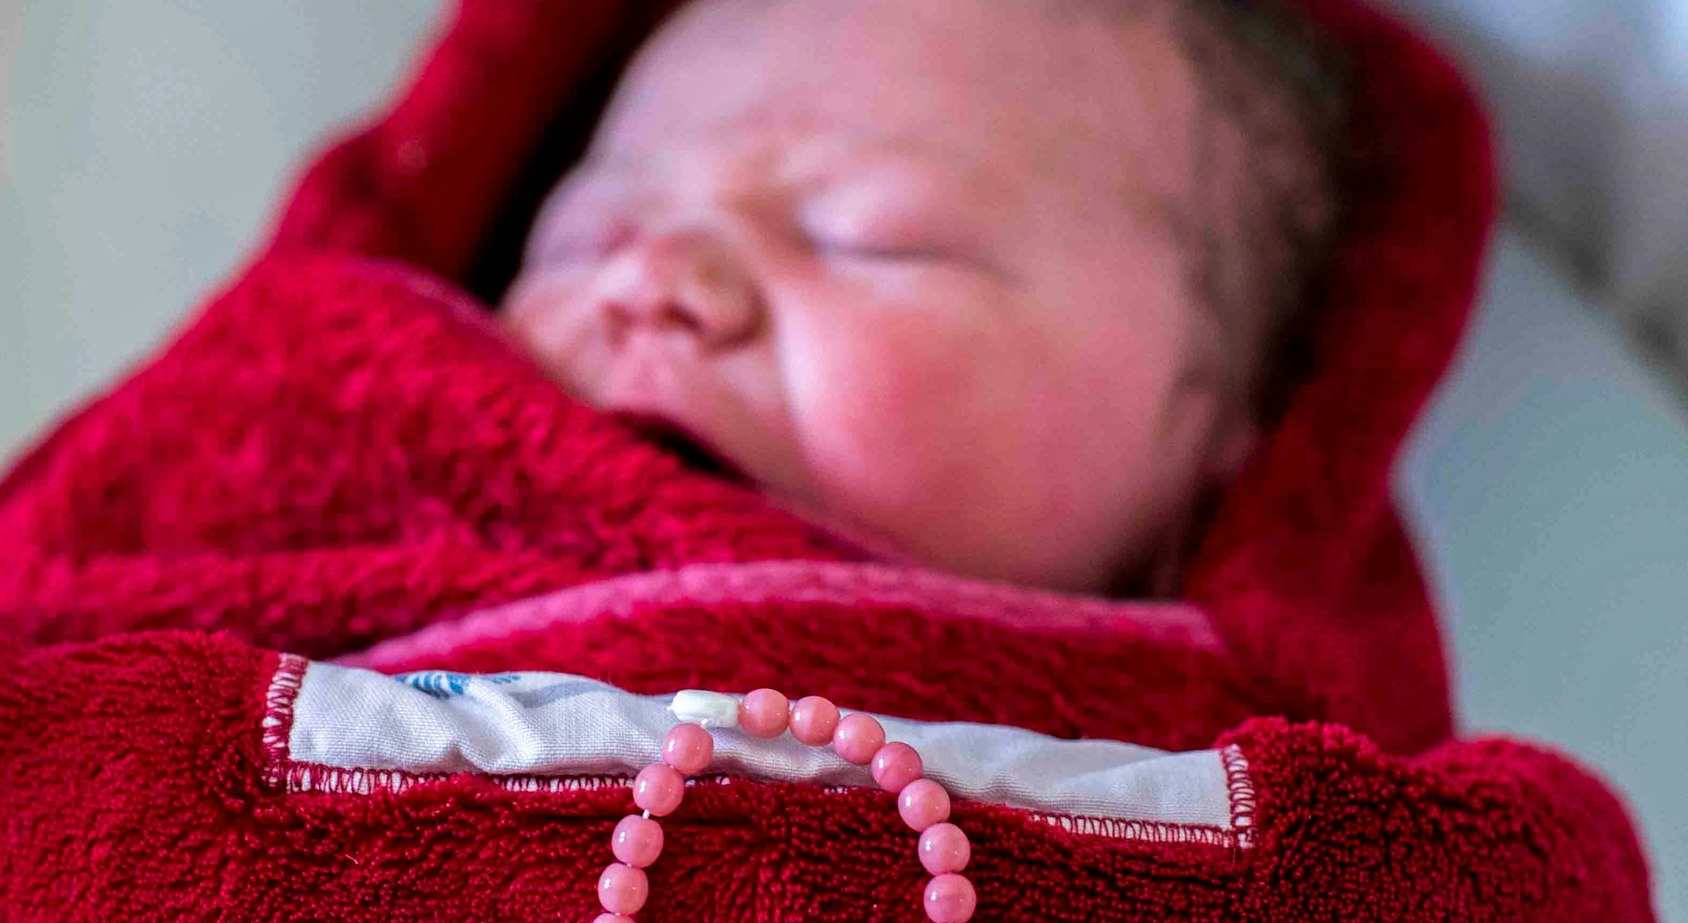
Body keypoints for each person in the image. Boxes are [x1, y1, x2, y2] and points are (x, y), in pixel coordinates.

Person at [500, 0, 1345, 594]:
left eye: (871, 240)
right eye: (593, 235)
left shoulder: (1256, 803)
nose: (647, 278)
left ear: (1201, 427)